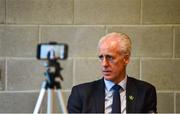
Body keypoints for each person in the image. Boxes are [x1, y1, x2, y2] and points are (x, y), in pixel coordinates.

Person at [67, 32, 157, 113]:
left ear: (126, 59)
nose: (104, 64)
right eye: (101, 57)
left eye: (110, 57)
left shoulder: (145, 91)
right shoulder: (81, 93)